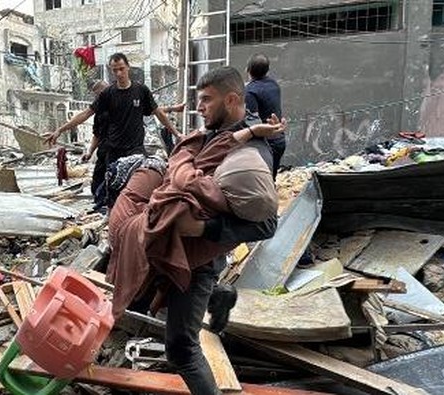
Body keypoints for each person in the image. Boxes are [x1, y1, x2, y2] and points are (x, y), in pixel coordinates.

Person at [107, 66, 285, 395]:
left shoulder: (250, 155)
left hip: (200, 259)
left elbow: (266, 223)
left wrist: (202, 227)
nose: (199, 107)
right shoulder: (219, 135)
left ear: (232, 100)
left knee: (181, 349)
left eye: (206, 100)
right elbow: (183, 164)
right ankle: (221, 295)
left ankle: (215, 294)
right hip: (179, 249)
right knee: (141, 297)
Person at [45, 52, 181, 169]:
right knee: (113, 192)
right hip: (114, 150)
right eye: (115, 70)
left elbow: (157, 112)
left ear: (128, 67)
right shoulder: (107, 94)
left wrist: (177, 134)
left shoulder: (141, 90)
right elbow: (86, 114)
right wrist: (60, 130)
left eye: (121, 69)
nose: (119, 73)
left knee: (134, 188)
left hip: (136, 150)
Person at [246, 53, 285, 179]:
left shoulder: (250, 91)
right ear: (267, 70)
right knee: (270, 180)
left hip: (265, 144)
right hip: (279, 139)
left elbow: (252, 121)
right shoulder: (274, 85)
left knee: (263, 181)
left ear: (248, 69)